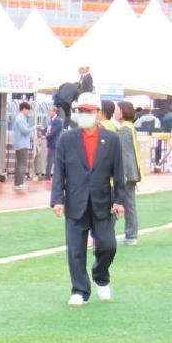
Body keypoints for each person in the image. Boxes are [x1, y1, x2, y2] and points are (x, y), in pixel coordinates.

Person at [51, 92, 125, 305]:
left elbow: (118, 172)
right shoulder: (67, 138)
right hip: (75, 200)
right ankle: (79, 290)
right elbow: (60, 172)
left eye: (88, 111)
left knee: (108, 245)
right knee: (75, 249)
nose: (84, 115)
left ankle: (101, 276)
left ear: (98, 113)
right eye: (81, 111)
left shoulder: (112, 139)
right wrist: (58, 199)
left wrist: (120, 200)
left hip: (103, 201)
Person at [116, 100, 142, 245]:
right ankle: (131, 235)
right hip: (132, 171)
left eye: (118, 110)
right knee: (129, 203)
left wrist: (124, 173)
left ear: (123, 112)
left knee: (127, 203)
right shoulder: (129, 127)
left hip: (127, 172)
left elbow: (125, 153)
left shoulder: (124, 130)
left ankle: (131, 235)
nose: (116, 112)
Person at [11, 101, 34, 191]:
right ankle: (20, 183)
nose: (28, 112)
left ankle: (17, 183)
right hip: (22, 144)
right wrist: (34, 127)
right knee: (22, 164)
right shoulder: (21, 119)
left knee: (19, 164)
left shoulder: (20, 118)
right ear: (23, 109)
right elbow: (25, 131)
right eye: (28, 110)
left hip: (19, 144)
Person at [44, 106, 63, 178]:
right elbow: (48, 129)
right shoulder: (52, 120)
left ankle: (48, 175)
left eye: (50, 111)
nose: (49, 113)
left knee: (52, 160)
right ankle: (48, 175)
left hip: (54, 143)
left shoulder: (57, 121)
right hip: (51, 143)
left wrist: (46, 136)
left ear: (54, 112)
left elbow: (53, 132)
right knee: (50, 159)